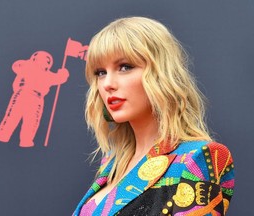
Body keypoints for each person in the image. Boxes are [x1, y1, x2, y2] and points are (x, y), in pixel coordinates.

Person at [73, 17, 234, 216]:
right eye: (100, 72)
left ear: (160, 73)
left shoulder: (198, 158)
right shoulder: (112, 162)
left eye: (125, 67)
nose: (107, 83)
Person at [0, 51, 69, 147]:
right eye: (44, 59)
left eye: (48, 61)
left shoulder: (47, 75)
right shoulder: (27, 66)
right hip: (22, 94)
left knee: (31, 121)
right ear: (35, 58)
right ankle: (3, 136)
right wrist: (62, 74)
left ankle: (25, 141)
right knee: (13, 116)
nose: (46, 62)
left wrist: (63, 74)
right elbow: (16, 65)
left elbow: (59, 79)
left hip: (36, 98)